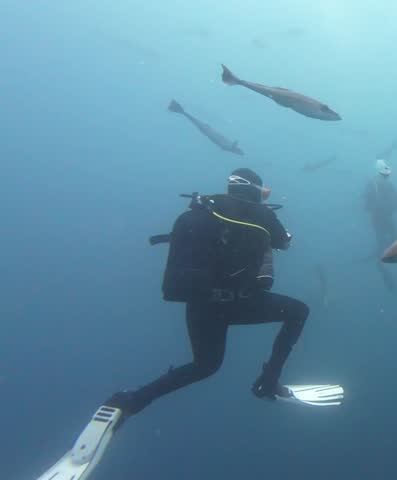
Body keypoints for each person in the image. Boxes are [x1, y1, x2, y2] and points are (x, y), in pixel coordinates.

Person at [36, 168, 342, 480]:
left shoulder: (203, 208)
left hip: (201, 304)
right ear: (256, 190)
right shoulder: (258, 213)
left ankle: (127, 403)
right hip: (239, 301)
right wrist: (267, 212)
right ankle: (267, 383)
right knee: (298, 311)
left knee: (205, 364)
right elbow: (284, 242)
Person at [363, 157, 397, 291]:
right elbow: (366, 205)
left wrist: (394, 204)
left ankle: (382, 258)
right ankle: (381, 265)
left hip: (388, 216)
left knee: (395, 239)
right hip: (378, 219)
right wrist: (377, 206)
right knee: (381, 244)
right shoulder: (371, 185)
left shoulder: (388, 185)